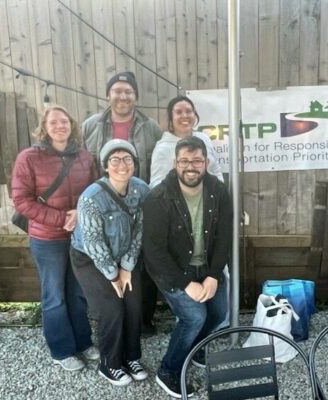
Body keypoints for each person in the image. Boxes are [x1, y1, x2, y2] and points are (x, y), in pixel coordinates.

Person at [143, 136, 232, 398]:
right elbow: (154, 251)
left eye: (196, 160)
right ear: (175, 163)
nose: (190, 166)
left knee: (218, 314)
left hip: (207, 268)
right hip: (173, 271)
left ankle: (194, 347)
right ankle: (169, 370)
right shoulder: (158, 197)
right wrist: (185, 283)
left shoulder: (218, 190)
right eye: (184, 161)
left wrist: (214, 275)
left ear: (206, 162)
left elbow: (224, 236)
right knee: (195, 317)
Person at [11, 105, 98, 371]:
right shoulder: (29, 158)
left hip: (79, 236)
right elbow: (21, 201)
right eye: (53, 122)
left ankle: (83, 342)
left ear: (71, 125)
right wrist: (62, 218)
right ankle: (61, 350)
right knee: (54, 296)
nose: (60, 126)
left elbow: (95, 191)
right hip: (47, 239)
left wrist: (81, 215)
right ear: (44, 127)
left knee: (78, 292)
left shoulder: (85, 157)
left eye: (64, 121)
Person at [82, 71, 163, 334]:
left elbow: (157, 166)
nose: (122, 96)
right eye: (117, 91)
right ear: (108, 95)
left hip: (138, 204)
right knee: (105, 260)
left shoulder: (150, 127)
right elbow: (84, 167)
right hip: (102, 208)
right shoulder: (91, 125)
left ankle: (143, 319)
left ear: (136, 97)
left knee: (142, 264)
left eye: (128, 91)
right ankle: (110, 319)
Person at [70, 139, 150, 386]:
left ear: (134, 164)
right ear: (105, 166)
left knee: (134, 306)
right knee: (111, 310)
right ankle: (110, 363)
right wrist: (113, 275)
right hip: (90, 259)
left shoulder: (141, 190)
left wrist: (126, 267)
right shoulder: (91, 197)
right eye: (115, 160)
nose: (122, 165)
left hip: (125, 257)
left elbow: (139, 230)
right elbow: (94, 242)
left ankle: (131, 357)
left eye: (127, 159)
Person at [149, 95, 224, 187]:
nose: (184, 116)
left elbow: (215, 170)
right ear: (171, 118)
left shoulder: (204, 138)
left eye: (188, 111)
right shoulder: (162, 148)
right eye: (178, 112)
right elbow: (156, 184)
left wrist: (220, 194)